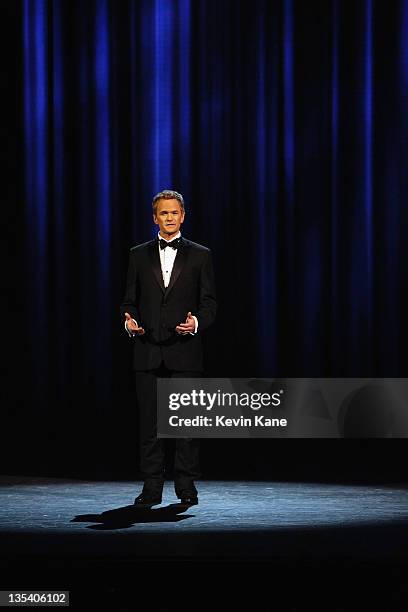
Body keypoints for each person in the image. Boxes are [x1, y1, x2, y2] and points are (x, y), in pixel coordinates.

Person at [120, 190, 217, 507]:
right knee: (150, 425)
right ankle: (151, 487)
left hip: (185, 352)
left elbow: (209, 303)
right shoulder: (137, 254)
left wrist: (196, 323)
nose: (170, 217)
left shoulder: (201, 255)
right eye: (164, 213)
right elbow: (129, 301)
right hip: (147, 351)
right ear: (155, 217)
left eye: (175, 212)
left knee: (186, 426)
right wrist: (129, 321)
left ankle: (186, 486)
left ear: (183, 216)